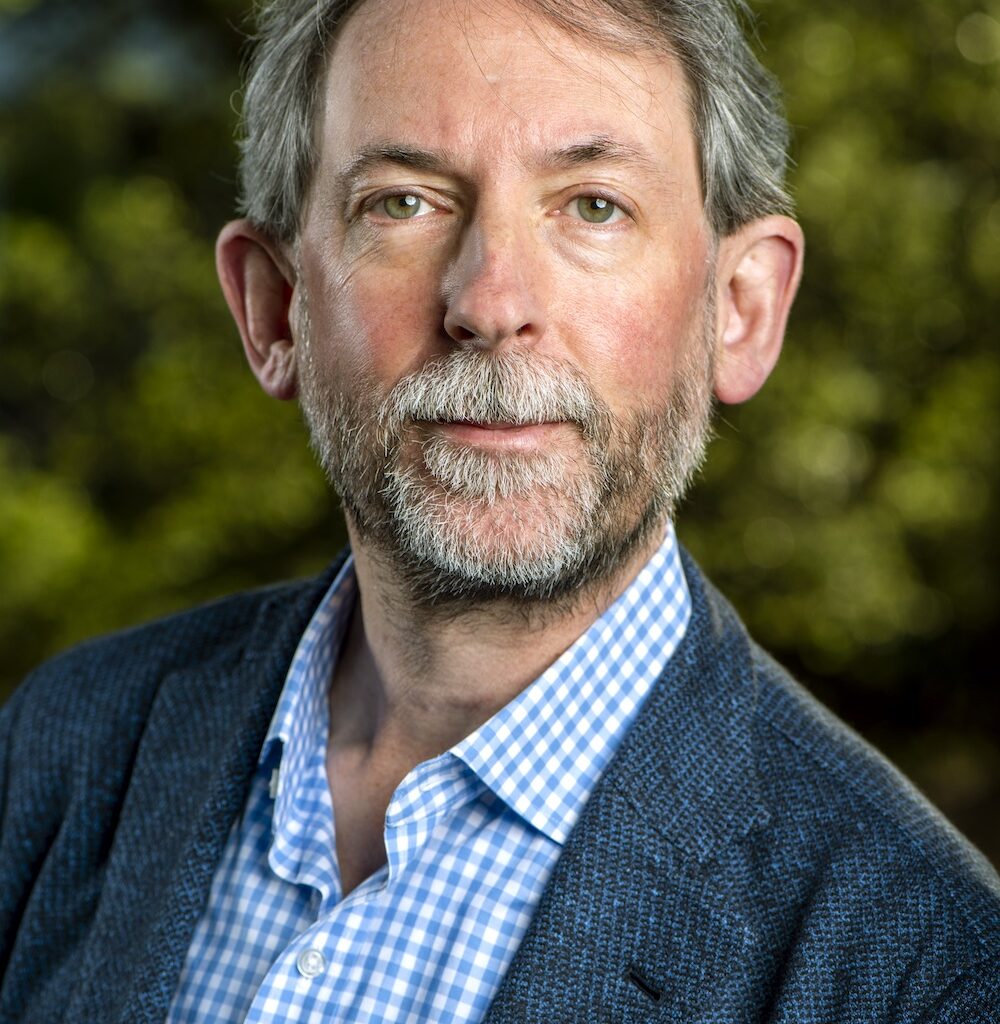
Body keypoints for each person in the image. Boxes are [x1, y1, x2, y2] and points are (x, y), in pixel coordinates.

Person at [1, 0, 998, 1020]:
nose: (489, 301)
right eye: (403, 203)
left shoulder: (928, 966)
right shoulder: (58, 751)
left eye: (593, 205)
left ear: (737, 310)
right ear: (273, 308)